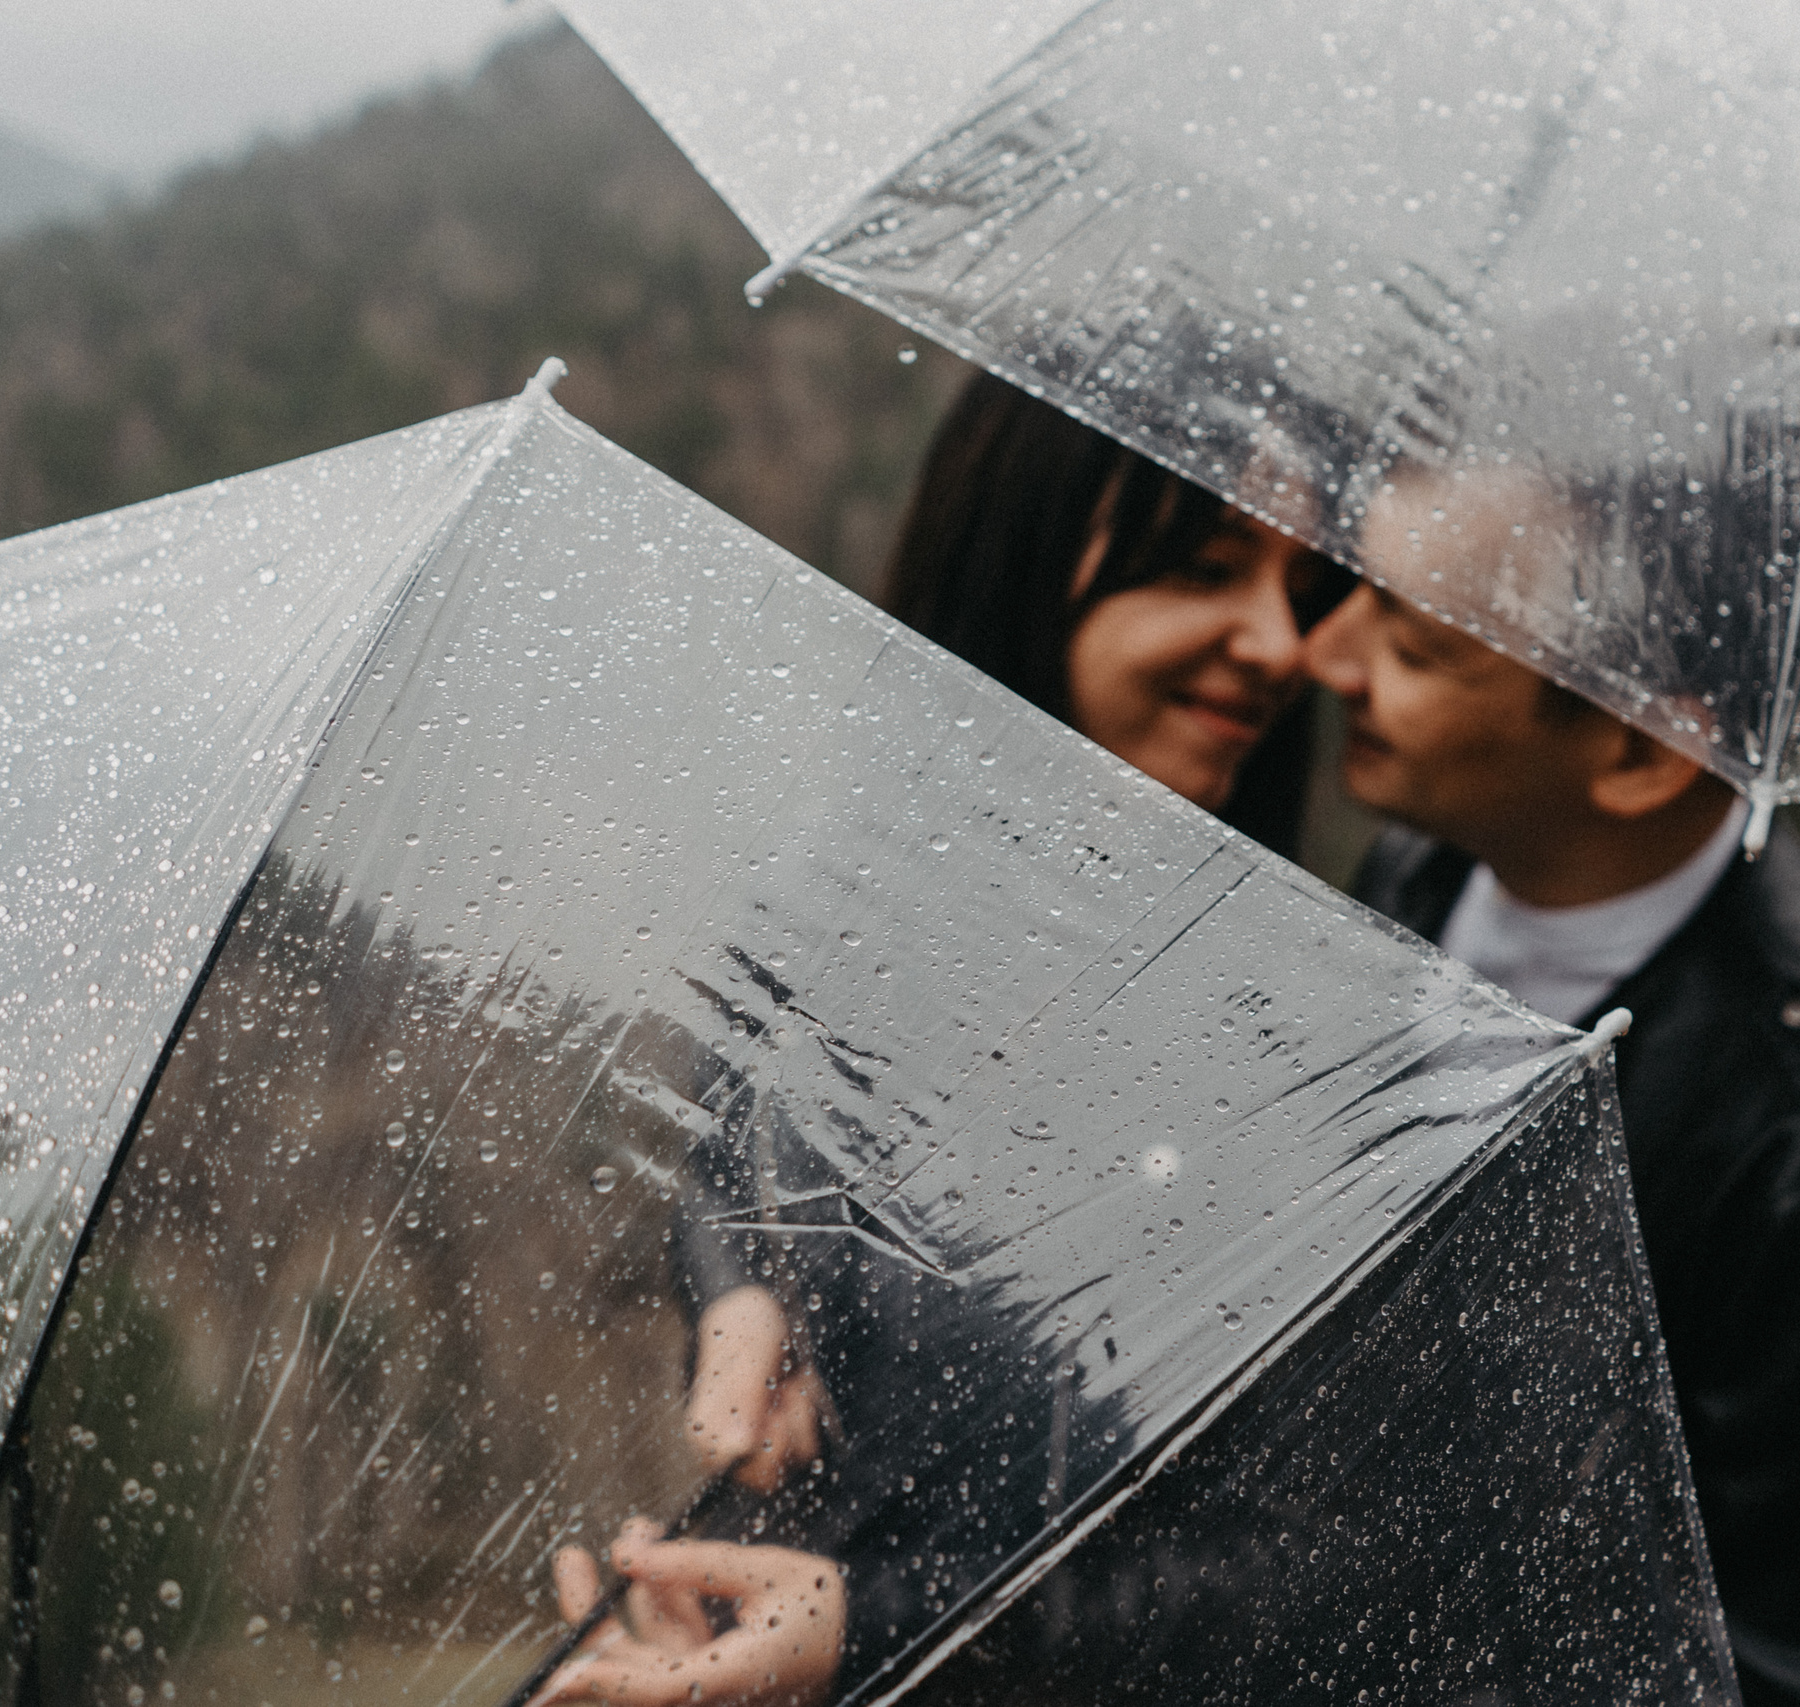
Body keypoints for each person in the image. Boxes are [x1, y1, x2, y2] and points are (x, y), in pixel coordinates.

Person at [538, 374, 1349, 1706]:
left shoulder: (1302, 1057)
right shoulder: (832, 924)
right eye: (1207, 568)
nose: (1280, 643)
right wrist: (746, 1286)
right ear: (1022, 558)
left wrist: (868, 1624)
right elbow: (739, 1126)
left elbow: (1286, 1583)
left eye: (1299, 592)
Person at [1302, 463, 1800, 1707]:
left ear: (1642, 747)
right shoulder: (1425, 872)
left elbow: (1796, 1674)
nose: (1323, 655)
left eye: (1419, 646)